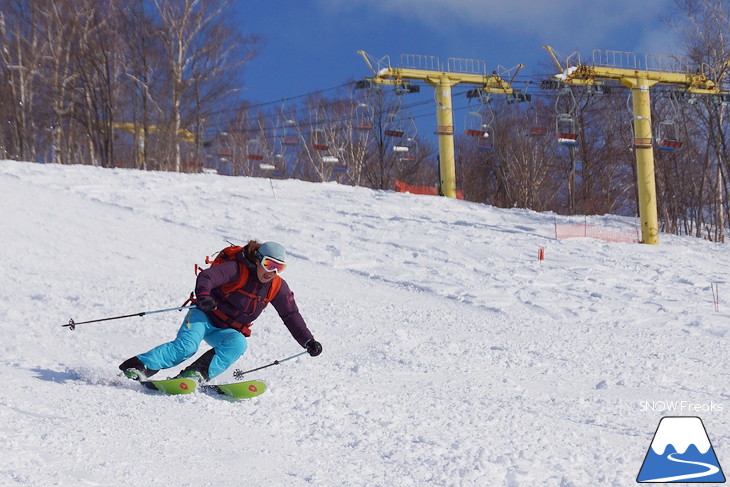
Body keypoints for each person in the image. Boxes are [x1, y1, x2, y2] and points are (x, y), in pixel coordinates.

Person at [119, 240, 322, 383]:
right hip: (204, 315)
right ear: (259, 259)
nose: (272, 272)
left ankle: (195, 374)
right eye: (269, 264)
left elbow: (291, 315)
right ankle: (138, 366)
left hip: (226, 329)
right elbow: (208, 277)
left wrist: (308, 341)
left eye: (280, 267)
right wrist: (205, 296)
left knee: (238, 343)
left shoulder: (276, 286)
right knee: (186, 347)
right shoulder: (237, 269)